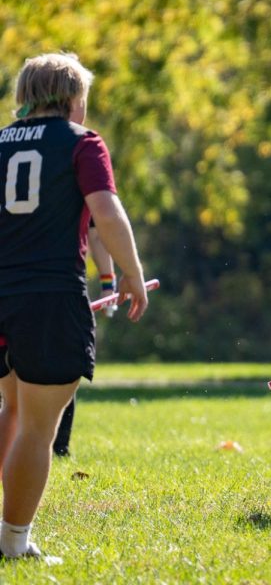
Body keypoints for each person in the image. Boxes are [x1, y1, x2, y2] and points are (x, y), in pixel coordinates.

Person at [0, 52, 149, 562]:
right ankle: (14, 543)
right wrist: (129, 273)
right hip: (47, 297)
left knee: (12, 409)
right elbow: (106, 211)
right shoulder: (82, 143)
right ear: (73, 99)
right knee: (38, 429)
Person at [51, 223, 117, 458]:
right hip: (61, 288)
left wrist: (109, 285)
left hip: (28, 287)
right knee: (63, 369)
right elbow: (99, 228)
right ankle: (56, 446)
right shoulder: (76, 184)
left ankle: (58, 446)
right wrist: (110, 283)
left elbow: (95, 230)